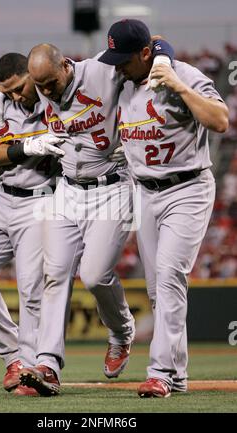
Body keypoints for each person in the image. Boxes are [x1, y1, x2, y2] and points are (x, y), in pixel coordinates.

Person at [16, 41, 175, 397]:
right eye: (38, 84)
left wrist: (162, 56)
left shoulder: (103, 70)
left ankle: (121, 331)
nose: (44, 91)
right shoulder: (41, 86)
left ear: (66, 67)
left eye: (49, 83)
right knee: (54, 274)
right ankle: (48, 365)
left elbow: (151, 45)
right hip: (67, 189)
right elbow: (15, 92)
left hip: (113, 186)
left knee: (94, 274)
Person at [98, 19, 229, 397]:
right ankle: (178, 374)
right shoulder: (123, 83)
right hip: (145, 192)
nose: (118, 65)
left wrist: (180, 86)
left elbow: (220, 121)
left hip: (186, 188)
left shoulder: (183, 75)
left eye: (125, 58)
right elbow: (155, 41)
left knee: (170, 277)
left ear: (144, 55)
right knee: (159, 290)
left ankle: (160, 372)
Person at [0, 52, 64, 397]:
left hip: (42, 199)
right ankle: (14, 357)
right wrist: (27, 146)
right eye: (8, 90)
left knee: (31, 288)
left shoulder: (59, 99)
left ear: (33, 74)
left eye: (19, 87)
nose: (16, 95)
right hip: (4, 197)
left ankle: (33, 369)